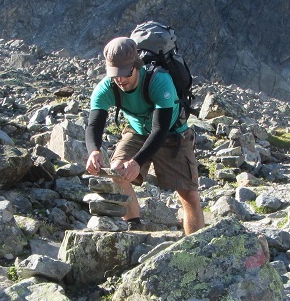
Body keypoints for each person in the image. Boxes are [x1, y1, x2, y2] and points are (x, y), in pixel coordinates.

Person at [85, 36, 205, 234]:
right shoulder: (107, 87)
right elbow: (95, 123)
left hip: (172, 134)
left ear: (137, 65)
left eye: (125, 73)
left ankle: (196, 247)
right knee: (117, 172)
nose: (120, 79)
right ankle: (134, 227)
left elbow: (160, 129)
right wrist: (94, 151)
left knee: (189, 194)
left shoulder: (159, 81)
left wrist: (137, 162)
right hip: (138, 131)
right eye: (115, 74)